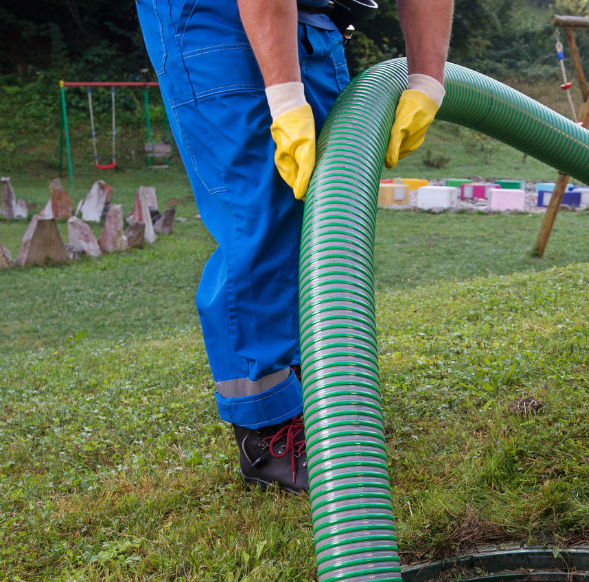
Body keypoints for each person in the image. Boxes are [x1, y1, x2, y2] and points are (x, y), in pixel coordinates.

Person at [135, 0, 453, 493]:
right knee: (260, 212)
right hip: (212, 18)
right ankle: (268, 431)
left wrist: (428, 80)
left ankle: (316, 401)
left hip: (315, 19)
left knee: (324, 211)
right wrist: (284, 99)